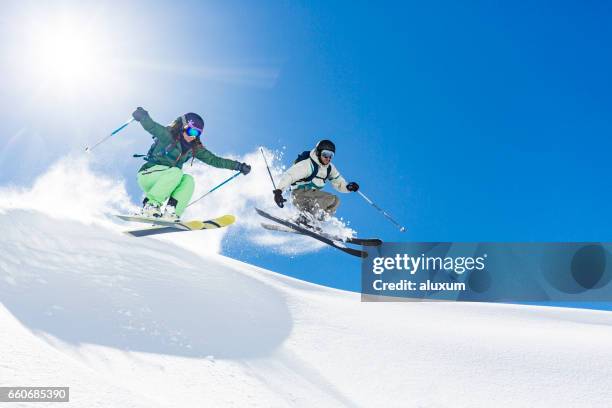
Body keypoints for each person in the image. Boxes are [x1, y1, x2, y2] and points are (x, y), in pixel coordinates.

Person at [131, 107, 251, 220]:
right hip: (148, 175)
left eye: (197, 133)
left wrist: (237, 166)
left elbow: (214, 160)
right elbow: (152, 127)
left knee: (188, 180)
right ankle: (150, 205)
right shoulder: (168, 136)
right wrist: (143, 116)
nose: (193, 136)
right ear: (183, 126)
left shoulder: (193, 148)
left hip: (166, 183)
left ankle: (171, 213)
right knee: (177, 172)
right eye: (191, 131)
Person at [272, 139, 359, 225]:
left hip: (312, 197)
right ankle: (306, 219)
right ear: (318, 152)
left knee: (336, 201)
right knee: (329, 198)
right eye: (325, 154)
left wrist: (348, 187)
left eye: (331, 155)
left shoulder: (329, 168)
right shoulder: (308, 165)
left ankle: (315, 222)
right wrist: (279, 191)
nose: (328, 158)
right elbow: (290, 175)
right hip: (300, 195)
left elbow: (338, 181)